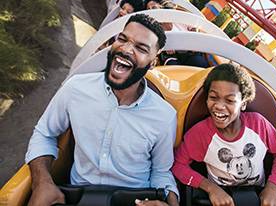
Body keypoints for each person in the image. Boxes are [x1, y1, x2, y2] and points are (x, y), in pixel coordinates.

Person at [25, 14, 179, 206]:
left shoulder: (164, 116)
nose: (126, 49)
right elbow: (44, 133)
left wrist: (170, 203)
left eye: (140, 48)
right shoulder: (76, 88)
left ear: (152, 63)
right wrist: (42, 183)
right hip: (78, 196)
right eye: (122, 39)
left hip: (134, 199)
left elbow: (161, 171)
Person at [172, 63, 276, 206]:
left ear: (243, 104)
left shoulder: (259, 125)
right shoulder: (199, 134)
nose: (219, 106)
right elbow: (178, 165)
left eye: (229, 100)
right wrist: (211, 188)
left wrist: (273, 188)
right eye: (213, 97)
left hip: (258, 196)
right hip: (220, 198)